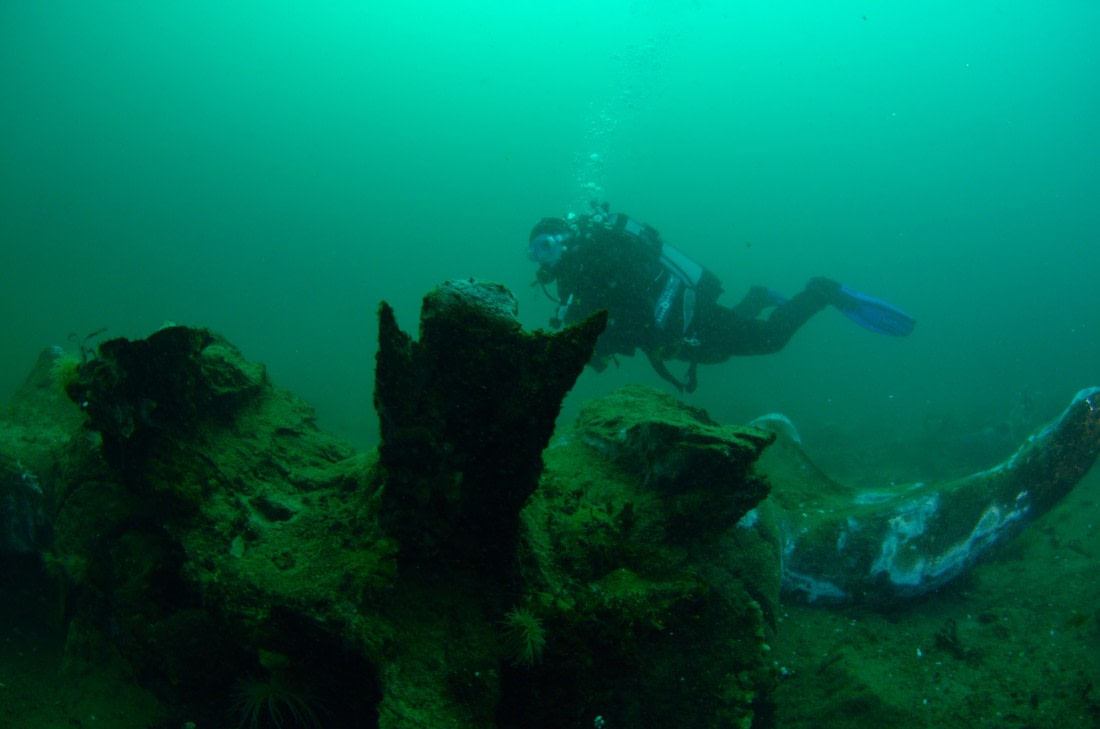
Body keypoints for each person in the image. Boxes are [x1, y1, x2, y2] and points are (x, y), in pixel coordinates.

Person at [528, 202, 915, 392]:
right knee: (721, 351)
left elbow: (632, 310)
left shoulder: (597, 263)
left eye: (546, 246)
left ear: (565, 238)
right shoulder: (575, 281)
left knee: (769, 339)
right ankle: (757, 295)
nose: (542, 259)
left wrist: (601, 341)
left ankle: (820, 291)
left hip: (686, 320)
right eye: (535, 253)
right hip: (683, 327)